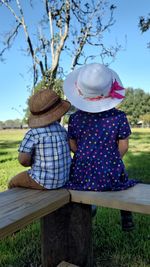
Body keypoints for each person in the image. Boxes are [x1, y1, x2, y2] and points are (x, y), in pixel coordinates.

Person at [63, 63, 138, 231]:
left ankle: (89, 209)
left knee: (82, 185)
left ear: (80, 91)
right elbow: (124, 146)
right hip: (110, 172)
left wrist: (86, 155)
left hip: (82, 173)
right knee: (122, 179)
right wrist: (109, 160)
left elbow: (72, 145)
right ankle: (126, 216)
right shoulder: (119, 117)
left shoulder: (74, 119)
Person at [8, 88, 71, 190]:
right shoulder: (62, 130)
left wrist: (31, 161)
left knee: (13, 182)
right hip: (64, 179)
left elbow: (23, 160)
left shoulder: (33, 134)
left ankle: (17, 203)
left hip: (43, 181)